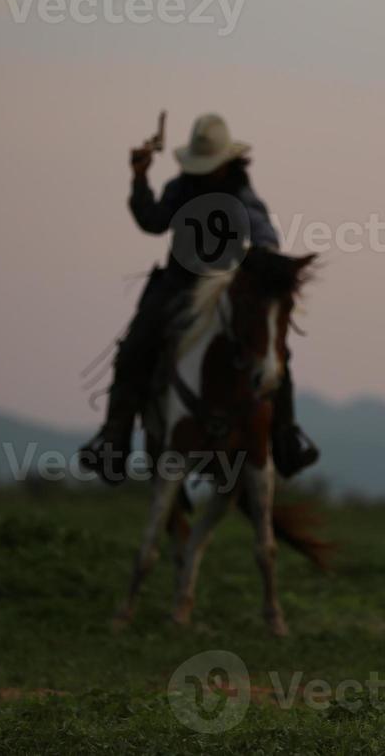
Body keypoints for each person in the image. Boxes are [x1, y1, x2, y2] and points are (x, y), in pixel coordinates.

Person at [77, 113, 318, 484]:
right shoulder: (179, 188)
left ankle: (285, 436)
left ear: (227, 162)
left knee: (272, 352)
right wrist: (140, 178)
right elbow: (153, 221)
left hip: (223, 289)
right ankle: (113, 440)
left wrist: (264, 255)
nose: (205, 172)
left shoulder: (243, 195)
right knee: (134, 346)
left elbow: (264, 233)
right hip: (176, 285)